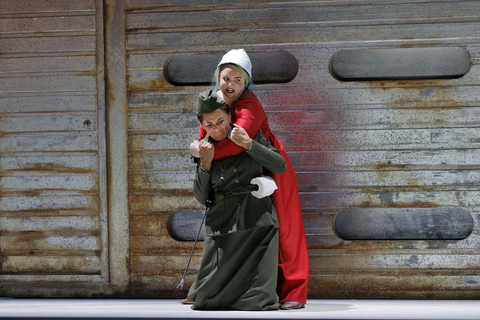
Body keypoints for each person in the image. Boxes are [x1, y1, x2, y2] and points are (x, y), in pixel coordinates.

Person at [190, 49, 309, 310]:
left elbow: (234, 144)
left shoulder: (249, 105)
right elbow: (205, 136)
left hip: (270, 167)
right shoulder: (213, 104)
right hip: (236, 175)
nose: (230, 85)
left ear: (246, 83)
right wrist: (202, 153)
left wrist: (200, 153)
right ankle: (207, 287)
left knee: (285, 230)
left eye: (237, 80)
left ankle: (295, 292)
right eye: (225, 78)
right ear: (217, 79)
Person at [186, 89, 286, 310]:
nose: (217, 128)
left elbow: (280, 165)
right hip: (223, 223)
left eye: (220, 121)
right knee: (207, 301)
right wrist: (205, 164)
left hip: (257, 219)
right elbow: (202, 197)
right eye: (209, 124)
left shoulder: (247, 133)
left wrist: (249, 144)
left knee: (259, 299)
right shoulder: (205, 147)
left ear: (230, 116)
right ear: (202, 124)